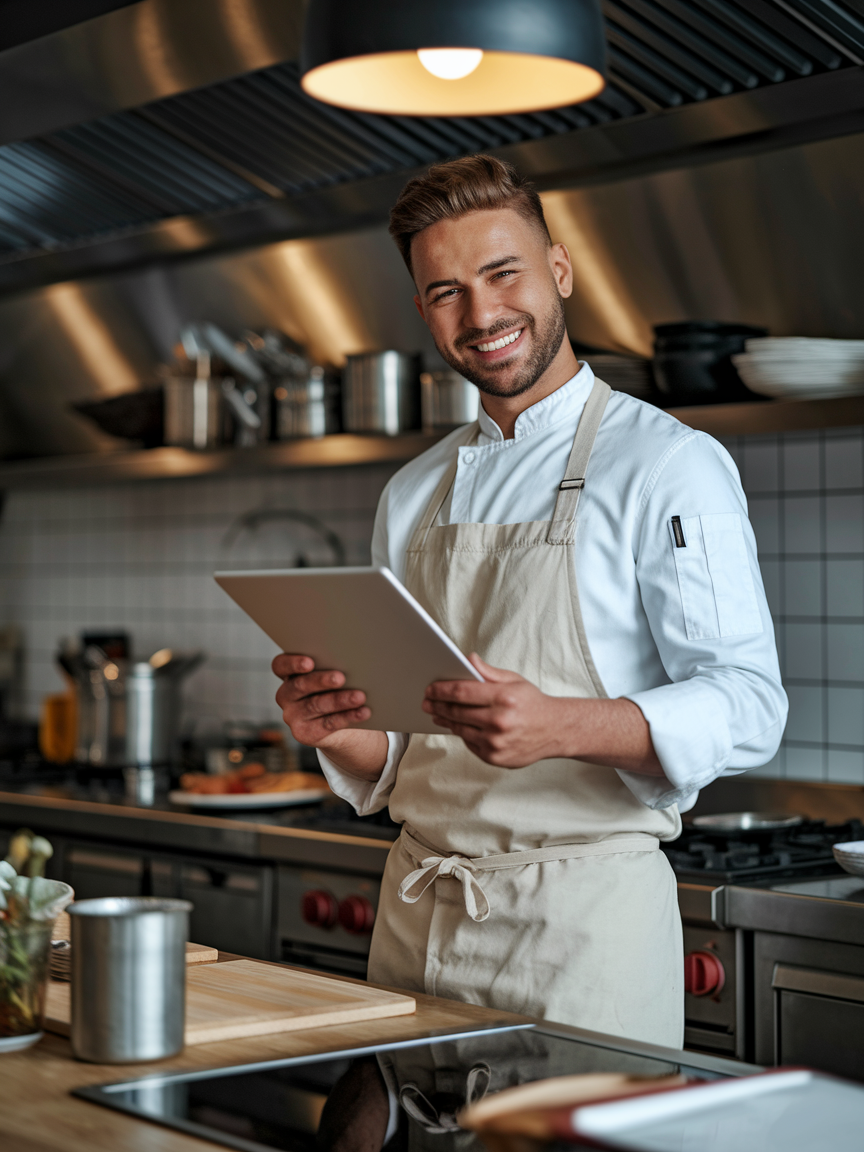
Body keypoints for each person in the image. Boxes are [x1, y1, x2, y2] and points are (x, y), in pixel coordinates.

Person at [273, 155, 787, 1047]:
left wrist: (563, 727)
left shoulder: (669, 464)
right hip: (416, 920)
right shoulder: (413, 493)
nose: (481, 316)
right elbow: (406, 753)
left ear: (559, 270)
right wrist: (341, 729)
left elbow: (749, 704)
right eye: (444, 292)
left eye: (502, 273)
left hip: (581, 937)